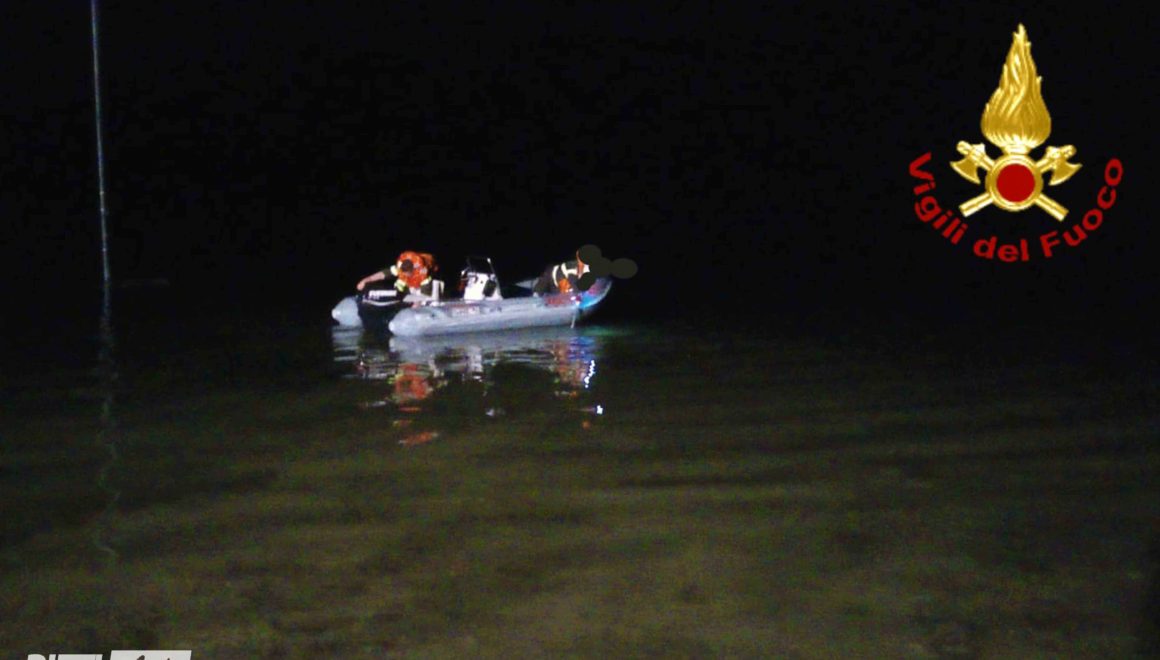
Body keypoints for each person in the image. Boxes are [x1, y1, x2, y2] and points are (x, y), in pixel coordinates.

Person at [356, 251, 440, 297]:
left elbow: (424, 294)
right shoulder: (399, 268)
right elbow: (382, 275)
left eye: (407, 273)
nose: (404, 275)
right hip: (408, 290)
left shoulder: (423, 274)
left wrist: (416, 305)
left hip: (423, 289)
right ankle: (399, 297)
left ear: (412, 271)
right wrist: (366, 280)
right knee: (400, 282)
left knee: (421, 292)